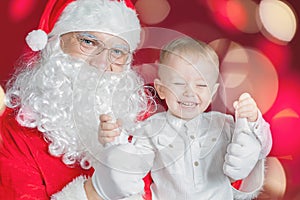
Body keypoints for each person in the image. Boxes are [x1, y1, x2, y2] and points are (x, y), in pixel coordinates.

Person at [0, 0, 151, 199]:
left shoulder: (139, 122)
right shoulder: (10, 135)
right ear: (55, 44)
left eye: (117, 51)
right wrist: (97, 191)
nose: (102, 63)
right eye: (88, 42)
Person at [95, 37, 272, 199]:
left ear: (212, 92)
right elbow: (133, 164)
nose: (189, 92)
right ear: (161, 89)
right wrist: (115, 140)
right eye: (179, 83)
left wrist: (253, 119)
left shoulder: (223, 124)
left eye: (201, 85)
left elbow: (261, 147)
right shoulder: (151, 128)